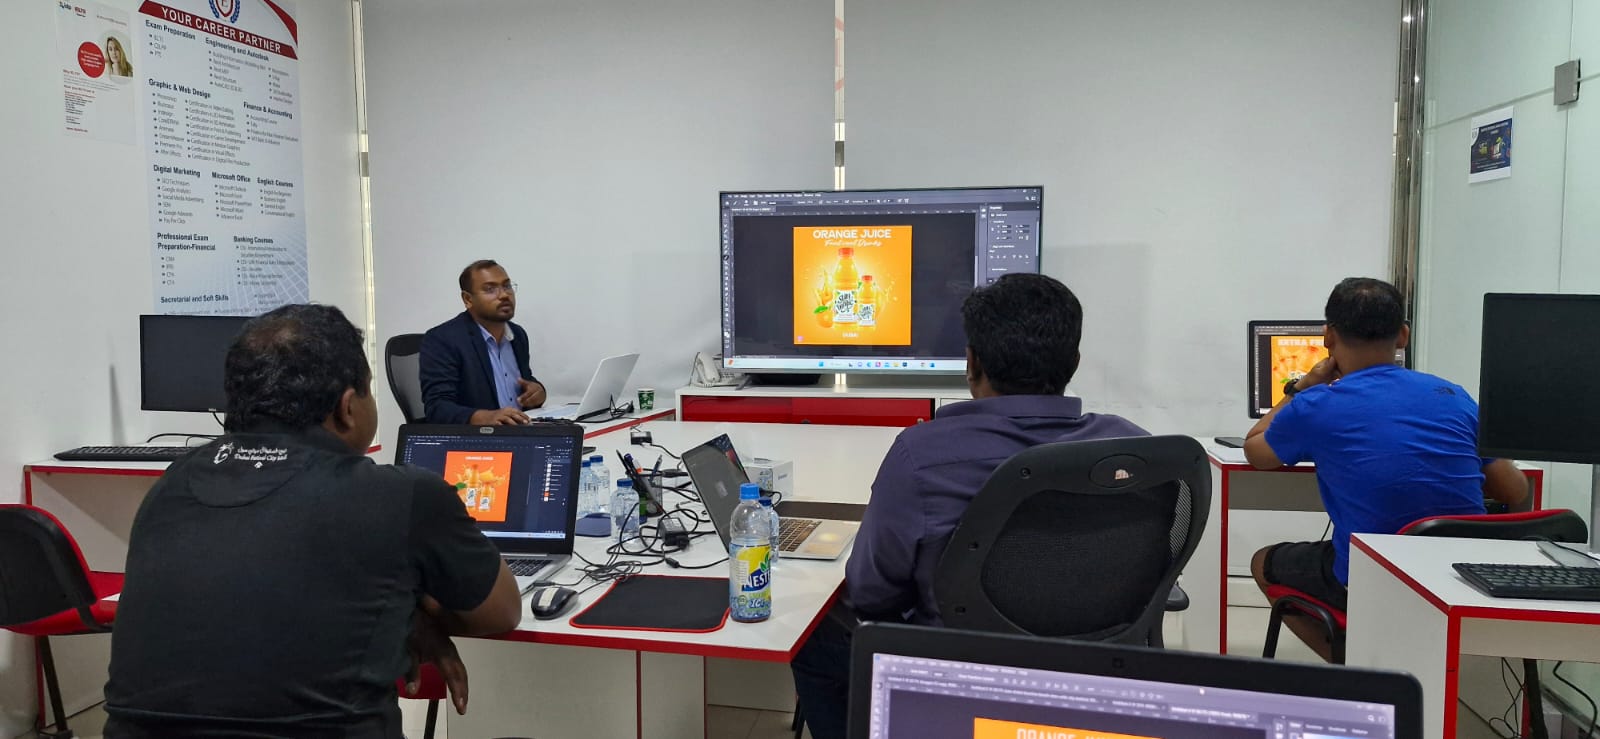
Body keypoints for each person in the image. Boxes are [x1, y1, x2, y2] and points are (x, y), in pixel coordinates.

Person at [104, 304, 522, 738]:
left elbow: (240, 603)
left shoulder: (173, 485)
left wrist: (399, 612)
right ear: (347, 407)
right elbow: (501, 610)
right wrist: (408, 615)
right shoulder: (401, 494)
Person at [789, 274, 1148, 739]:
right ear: (1074, 362)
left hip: (955, 671)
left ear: (971, 362)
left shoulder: (921, 455)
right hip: (1090, 668)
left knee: (813, 640)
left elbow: (872, 593)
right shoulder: (1136, 453)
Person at [1243, 277, 1527, 661]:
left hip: (1371, 578)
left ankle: (1359, 669)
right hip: (1462, 580)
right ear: (1403, 335)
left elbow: (1256, 450)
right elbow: (1514, 490)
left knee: (1263, 562)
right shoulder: (1454, 397)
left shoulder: (1317, 405)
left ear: (1328, 336)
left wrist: (1303, 386)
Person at [420, 259, 547, 425]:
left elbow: (526, 381)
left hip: (522, 430)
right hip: (479, 437)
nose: (504, 295)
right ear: (468, 299)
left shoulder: (517, 335)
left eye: (507, 286)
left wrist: (538, 392)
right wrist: (485, 417)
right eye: (490, 289)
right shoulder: (443, 340)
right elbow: (437, 407)